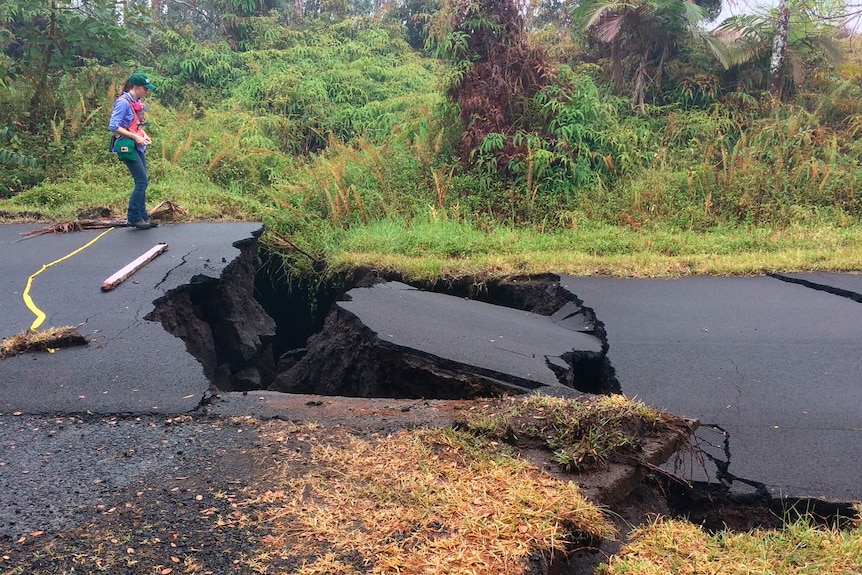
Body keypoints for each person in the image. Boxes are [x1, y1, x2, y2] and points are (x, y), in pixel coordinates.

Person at [109, 72, 158, 229]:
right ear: (136, 87)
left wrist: (143, 135)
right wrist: (135, 137)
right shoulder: (123, 103)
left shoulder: (136, 101)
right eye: (145, 88)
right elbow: (113, 126)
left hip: (137, 144)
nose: (146, 91)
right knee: (141, 181)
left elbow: (135, 124)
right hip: (127, 145)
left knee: (143, 181)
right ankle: (133, 217)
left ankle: (143, 217)